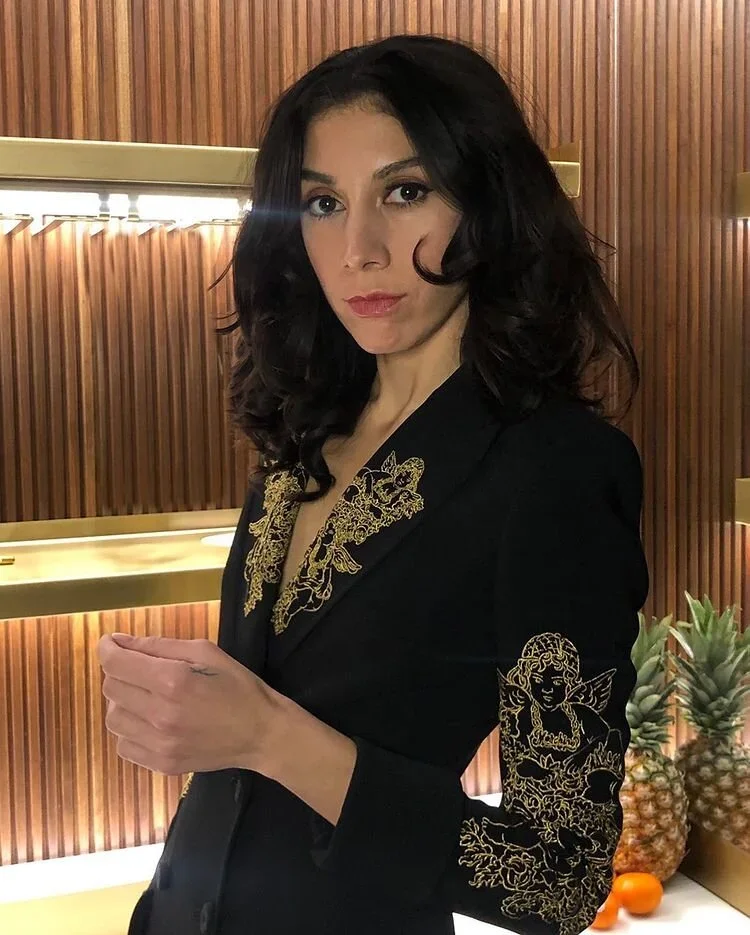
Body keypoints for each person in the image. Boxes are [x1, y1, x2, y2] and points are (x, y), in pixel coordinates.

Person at [98, 33, 649, 935]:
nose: (358, 249)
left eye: (405, 191)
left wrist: (267, 735)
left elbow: (556, 878)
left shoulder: (553, 468)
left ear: (488, 203)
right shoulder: (308, 425)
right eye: (323, 202)